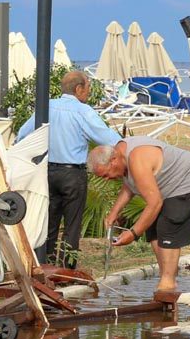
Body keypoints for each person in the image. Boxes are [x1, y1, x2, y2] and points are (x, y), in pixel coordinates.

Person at [16, 71, 121, 267]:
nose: (88, 93)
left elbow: (23, 134)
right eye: (87, 88)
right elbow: (105, 137)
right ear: (78, 89)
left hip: (47, 171)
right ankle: (67, 267)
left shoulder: (47, 106)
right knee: (73, 223)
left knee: (49, 220)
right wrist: (127, 145)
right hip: (73, 173)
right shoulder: (82, 111)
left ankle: (45, 263)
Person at [87, 136, 190, 291]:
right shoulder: (121, 153)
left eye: (106, 175)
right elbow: (129, 186)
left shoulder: (137, 159)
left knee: (169, 224)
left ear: (113, 160)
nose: (107, 179)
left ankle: (168, 283)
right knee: (153, 229)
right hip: (167, 187)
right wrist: (113, 213)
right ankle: (166, 277)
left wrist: (133, 234)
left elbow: (155, 203)